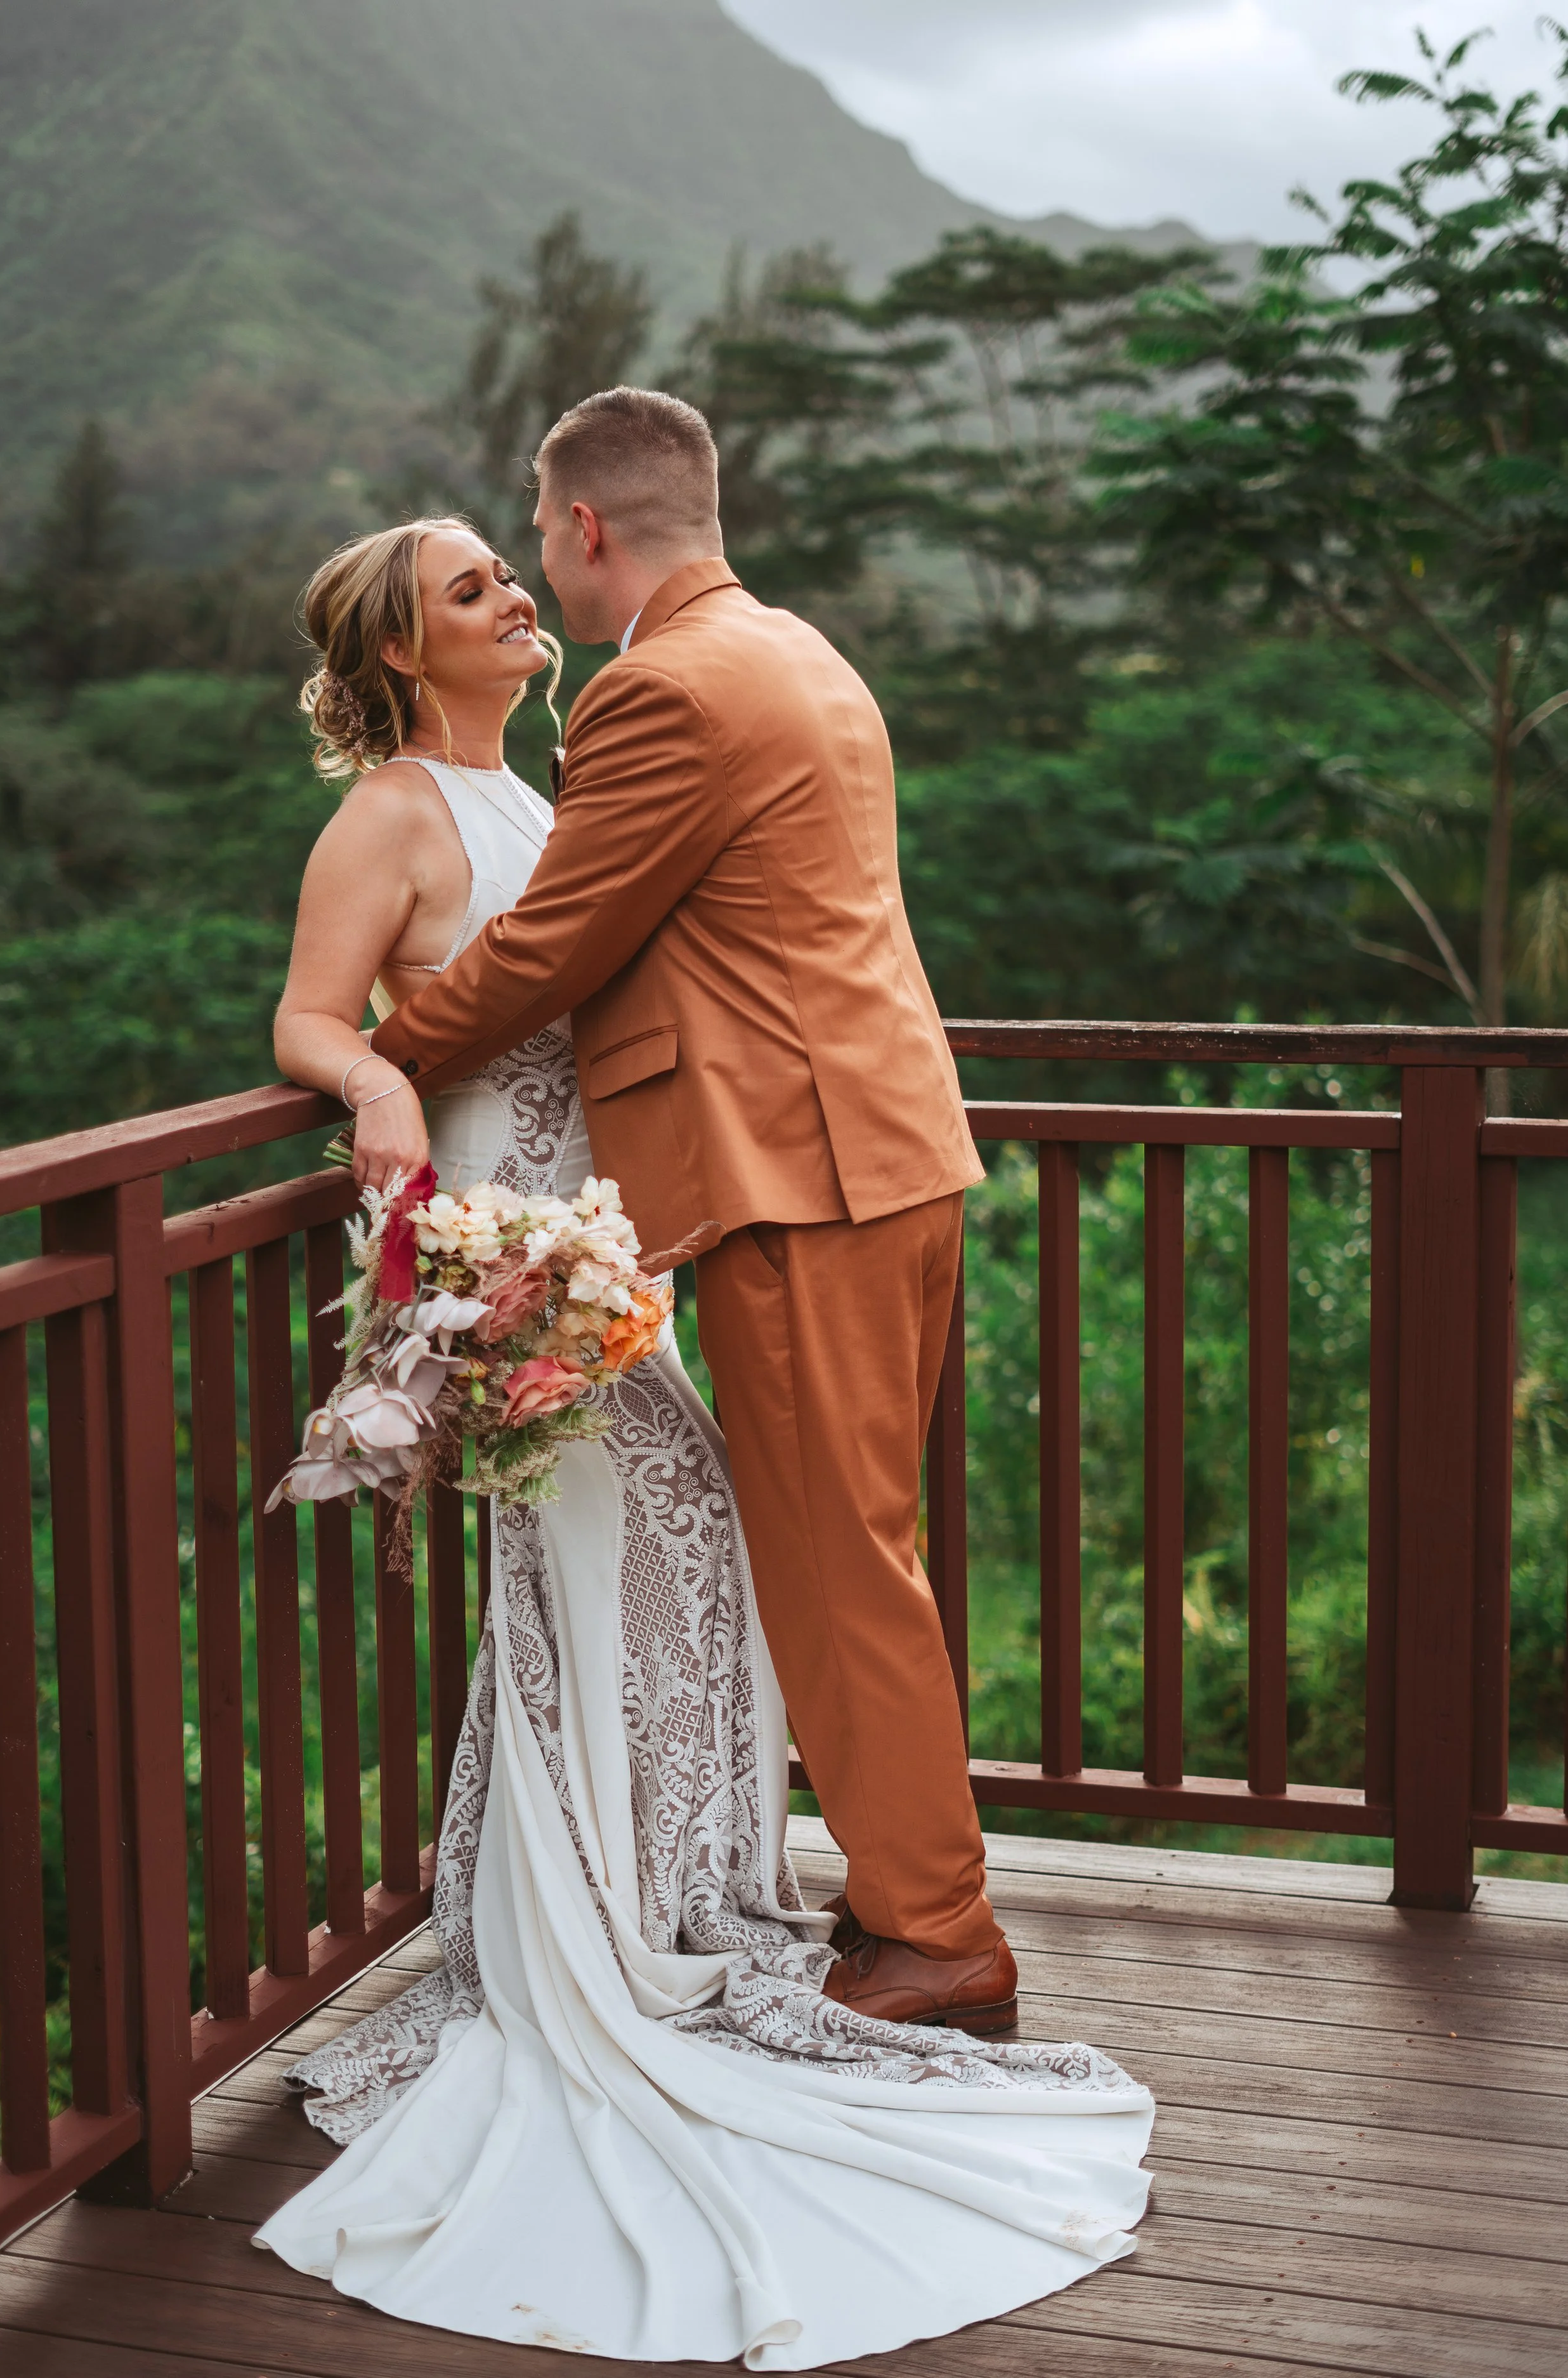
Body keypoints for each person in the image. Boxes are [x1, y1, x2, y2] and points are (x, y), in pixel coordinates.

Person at [256, 484, 1153, 2368]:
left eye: (510, 565)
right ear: (400, 651)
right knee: (605, 1574)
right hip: (509, 1238)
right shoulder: (395, 813)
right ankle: (589, 1947)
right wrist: (378, 1085)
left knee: (694, 1568)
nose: (511, 592)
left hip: (607, 1249)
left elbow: (600, 953)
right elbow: (312, 1016)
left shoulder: (559, 793)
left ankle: (675, 1903)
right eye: (464, 586)